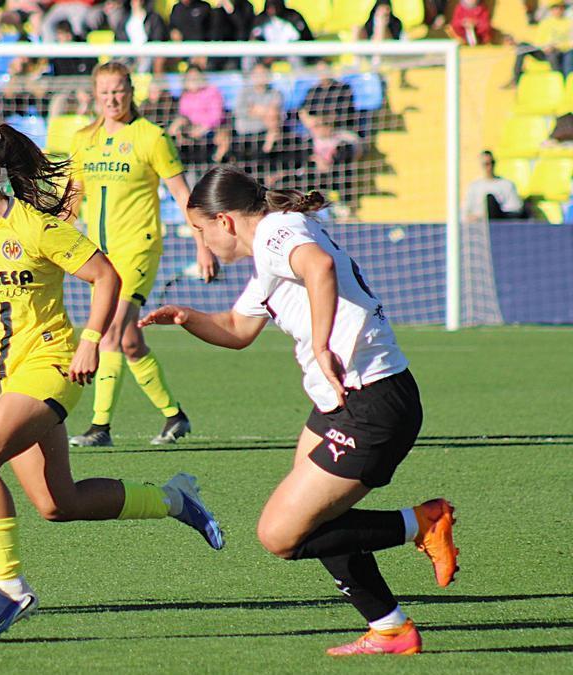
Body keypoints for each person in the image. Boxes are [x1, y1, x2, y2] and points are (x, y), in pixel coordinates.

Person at [0, 123, 225, 642]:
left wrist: (92, 339)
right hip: (11, 379)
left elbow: (106, 276)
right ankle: (174, 500)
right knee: (58, 504)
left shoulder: (34, 226)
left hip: (53, 365)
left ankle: (10, 590)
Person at [139, 165, 459, 657]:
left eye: (199, 231)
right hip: (342, 400)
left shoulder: (275, 232)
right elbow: (236, 329)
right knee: (312, 518)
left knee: (281, 534)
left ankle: (422, 523)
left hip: (369, 400)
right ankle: (390, 628)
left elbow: (320, 269)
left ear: (224, 221)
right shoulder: (271, 250)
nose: (200, 241)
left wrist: (324, 343)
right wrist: (187, 317)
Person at [66, 62, 215, 448]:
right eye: (104, 93)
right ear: (94, 96)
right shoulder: (83, 139)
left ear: (131, 91)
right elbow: (73, 197)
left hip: (138, 247)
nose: (112, 99)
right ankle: (174, 416)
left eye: (118, 90)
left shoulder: (151, 137)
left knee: (110, 332)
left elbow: (184, 197)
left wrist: (202, 244)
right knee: (130, 341)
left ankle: (100, 428)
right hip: (99, 255)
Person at [463, 150, 527, 222]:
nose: (490, 167)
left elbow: (514, 208)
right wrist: (480, 216)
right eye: (486, 164)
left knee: (491, 201)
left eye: (492, 163)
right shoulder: (474, 186)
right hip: (480, 226)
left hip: (501, 223)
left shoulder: (507, 185)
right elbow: (465, 212)